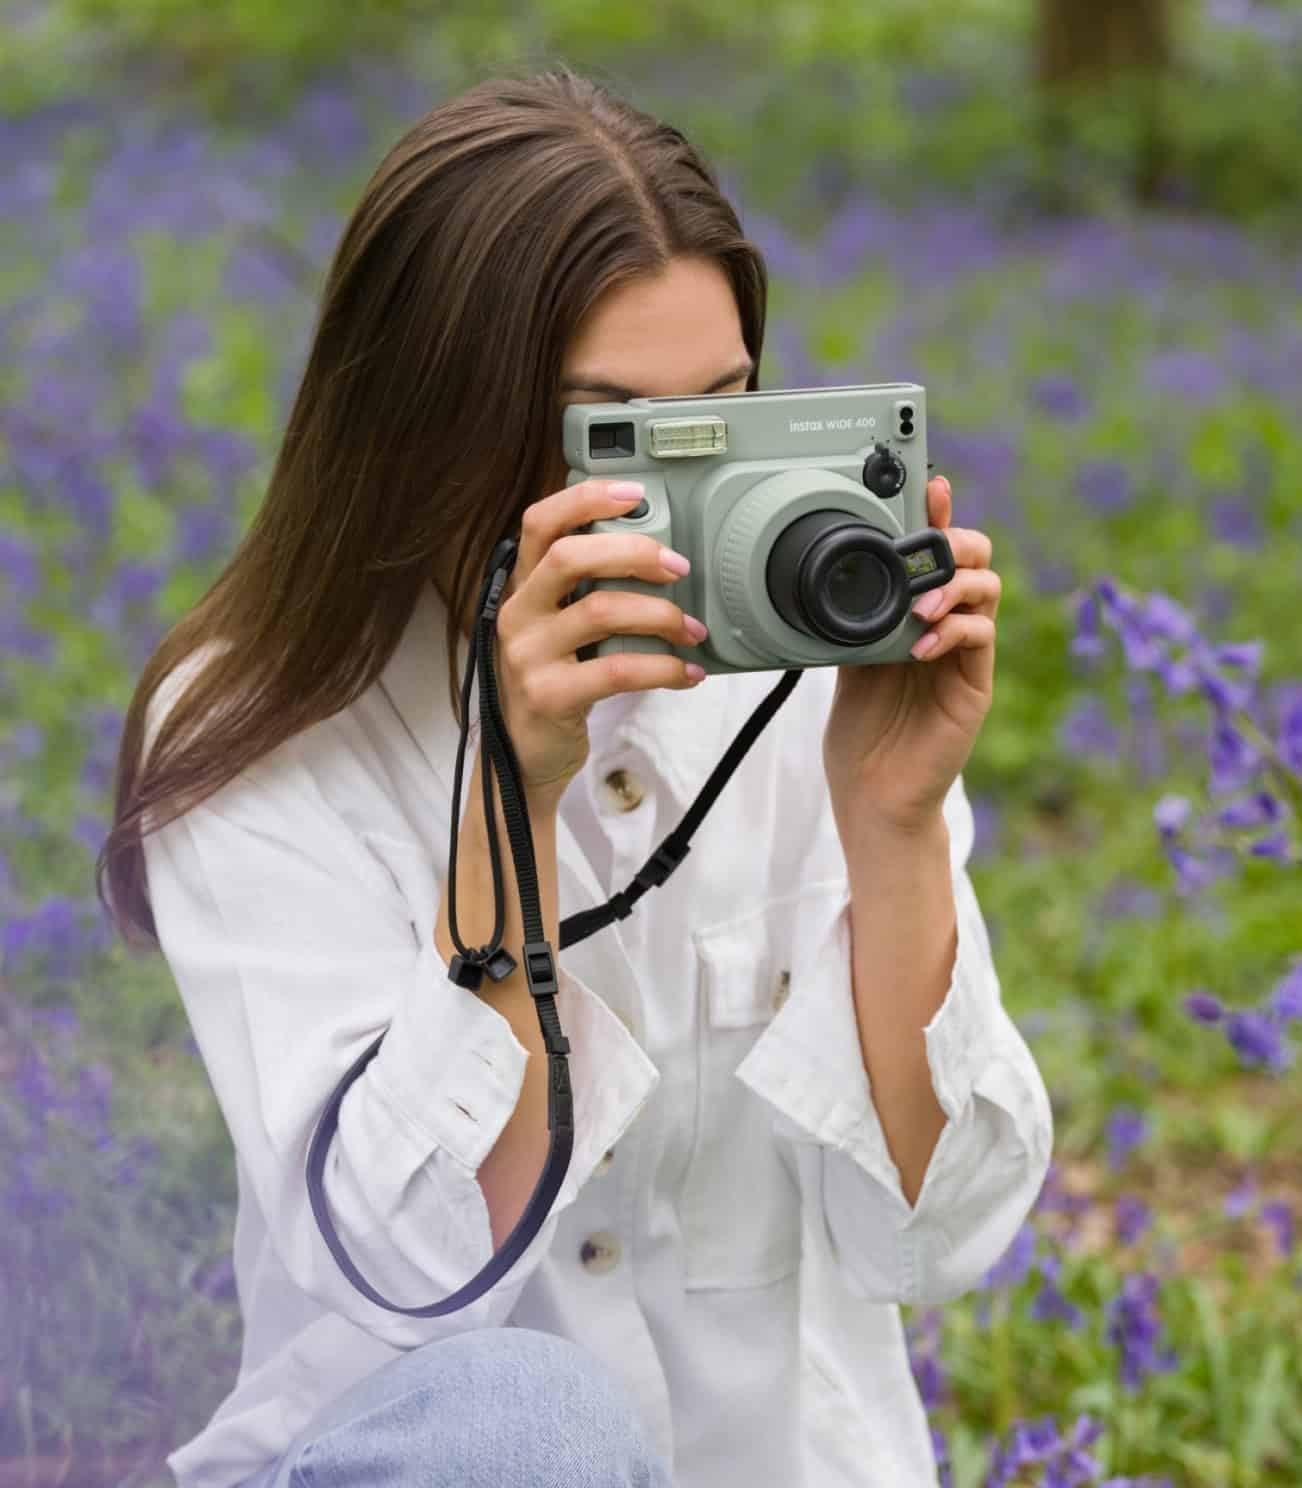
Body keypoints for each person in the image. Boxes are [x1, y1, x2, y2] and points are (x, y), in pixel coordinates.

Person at [98, 65, 1053, 1488]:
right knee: (529, 1421)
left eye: (720, 421)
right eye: (609, 439)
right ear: (423, 427)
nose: (674, 513)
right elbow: (410, 1278)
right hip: (428, 1461)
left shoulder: (804, 687)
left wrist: (894, 819)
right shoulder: (257, 727)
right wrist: (511, 795)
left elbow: (934, 1241)